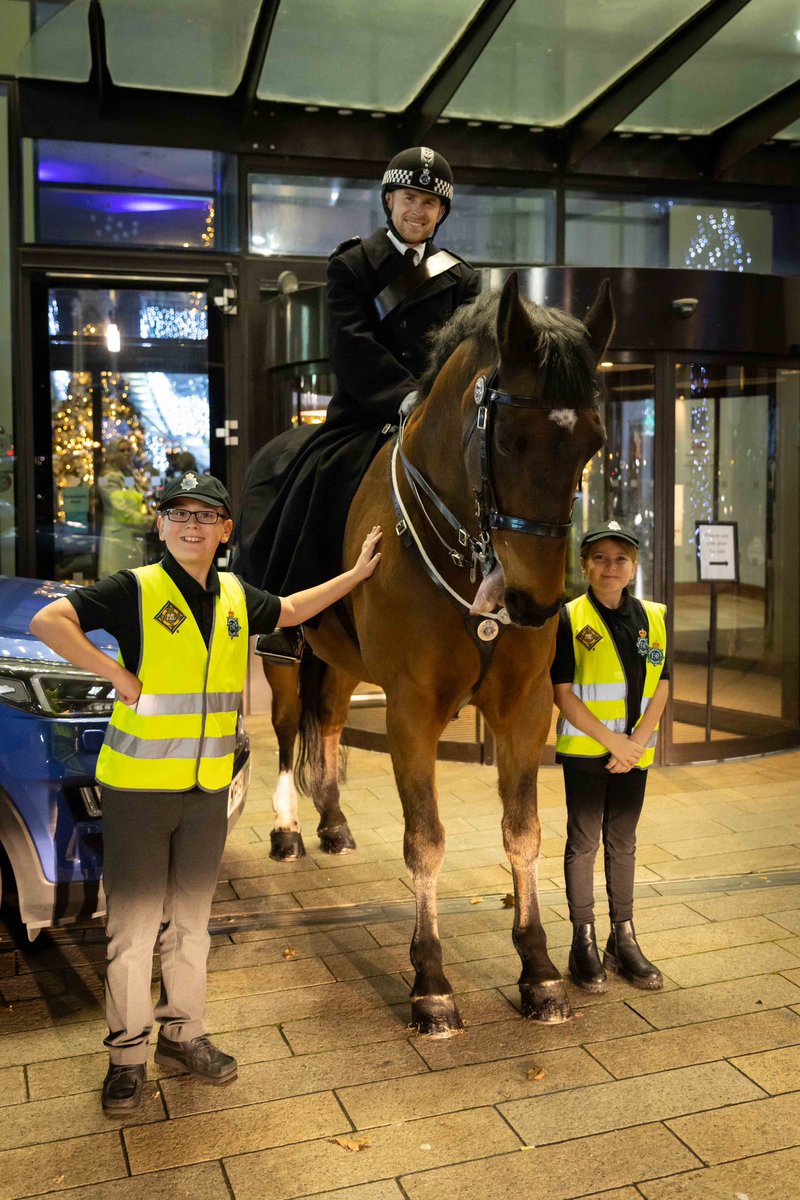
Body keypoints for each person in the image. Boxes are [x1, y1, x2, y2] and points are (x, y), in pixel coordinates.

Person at [30, 471, 382, 1114]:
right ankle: (128, 1057)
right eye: (179, 513)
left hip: (206, 788)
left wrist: (356, 575)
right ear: (161, 525)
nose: (192, 524)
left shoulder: (235, 595)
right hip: (140, 786)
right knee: (133, 929)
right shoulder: (135, 588)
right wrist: (117, 675)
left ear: (225, 531)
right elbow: (50, 620)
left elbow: (295, 609)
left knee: (191, 923)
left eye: (206, 515)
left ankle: (184, 1035)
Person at [237, 146, 481, 662]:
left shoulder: (463, 278)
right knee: (319, 482)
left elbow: (463, 352)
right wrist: (407, 396)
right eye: (410, 198)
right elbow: (353, 346)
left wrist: (437, 404)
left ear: (442, 213)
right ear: (390, 200)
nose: (418, 211)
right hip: (368, 413)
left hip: (437, 418)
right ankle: (293, 617)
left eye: (430, 204)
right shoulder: (352, 265)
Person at [550, 520, 670, 994]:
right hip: (586, 752)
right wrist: (613, 741)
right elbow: (563, 693)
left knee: (623, 843)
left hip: (633, 755)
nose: (610, 567)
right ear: (584, 565)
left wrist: (636, 742)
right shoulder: (569, 618)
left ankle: (624, 938)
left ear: (633, 566)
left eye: (620, 558)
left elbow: (663, 684)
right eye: (599, 558)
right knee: (583, 844)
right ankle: (583, 939)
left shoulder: (655, 616)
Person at [96, 438, 154, 576]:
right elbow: (121, 510)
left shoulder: (129, 476)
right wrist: (150, 521)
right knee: (119, 583)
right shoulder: (109, 478)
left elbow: (140, 502)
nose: (127, 453)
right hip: (119, 539)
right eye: (122, 450)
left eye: (128, 450)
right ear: (113, 453)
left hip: (133, 537)